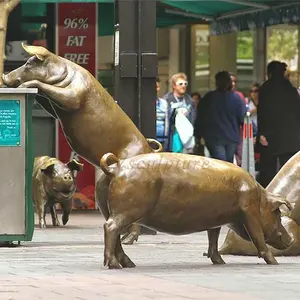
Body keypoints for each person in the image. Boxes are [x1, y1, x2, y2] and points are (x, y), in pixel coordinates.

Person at [257, 60, 300, 187]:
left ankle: (269, 198)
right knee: (289, 171)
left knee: (268, 172)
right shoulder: (291, 90)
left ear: (269, 73)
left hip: (271, 136)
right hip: (291, 137)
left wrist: (262, 133)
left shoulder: (265, 89)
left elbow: (263, 114)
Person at [194, 70, 247, 163]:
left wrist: (197, 135)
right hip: (232, 137)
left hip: (214, 137)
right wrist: (254, 131)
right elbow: (243, 117)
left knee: (219, 163)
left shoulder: (208, 98)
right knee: (228, 163)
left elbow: (200, 118)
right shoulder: (236, 98)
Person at [164, 73, 196, 153]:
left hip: (187, 136)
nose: (183, 86)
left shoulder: (190, 100)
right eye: (180, 84)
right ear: (174, 86)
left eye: (185, 84)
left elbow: (193, 117)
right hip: (173, 135)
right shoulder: (167, 99)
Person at [155, 77, 169, 150]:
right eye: (155, 87)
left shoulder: (164, 103)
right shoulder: (143, 104)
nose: (158, 89)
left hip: (163, 141)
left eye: (158, 87)